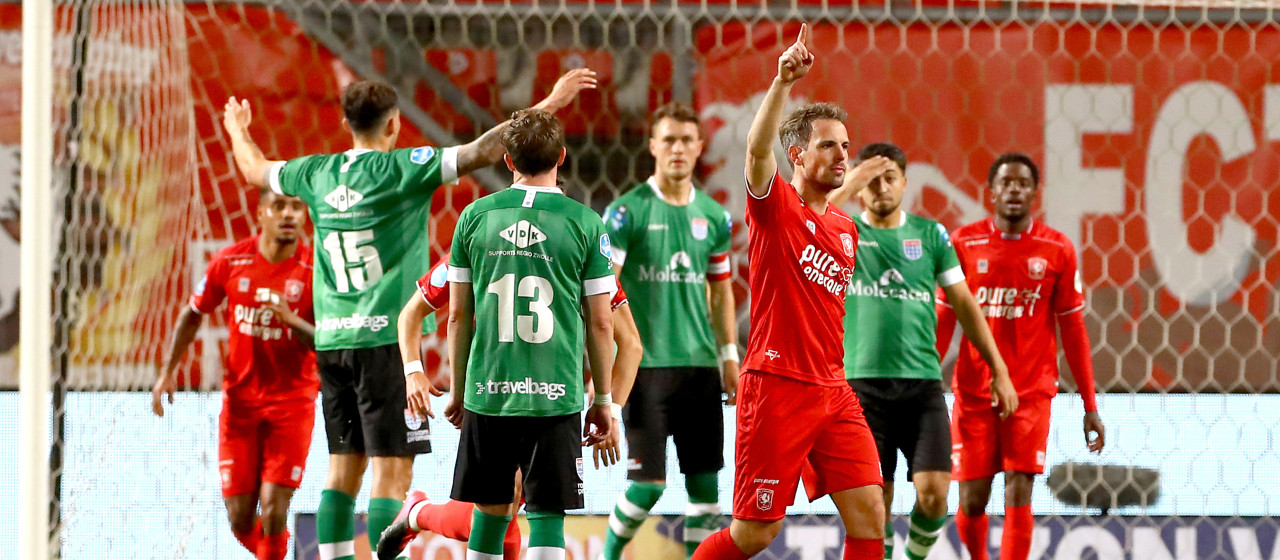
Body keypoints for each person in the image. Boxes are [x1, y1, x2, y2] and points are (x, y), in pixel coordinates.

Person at [221, 70, 598, 560]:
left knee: (341, 471)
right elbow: (484, 150)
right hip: (384, 344)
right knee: (392, 474)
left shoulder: (315, 172)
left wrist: (236, 130)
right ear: (395, 125)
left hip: (333, 341)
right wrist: (549, 102)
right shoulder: (403, 168)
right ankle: (408, 521)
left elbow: (254, 170)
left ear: (344, 123)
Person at [693, 24, 898, 560]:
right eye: (827, 145)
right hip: (776, 388)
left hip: (833, 390)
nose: (841, 155)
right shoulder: (777, 209)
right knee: (755, 535)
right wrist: (783, 81)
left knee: (872, 514)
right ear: (796, 155)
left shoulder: (848, 230)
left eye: (845, 147)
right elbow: (756, 152)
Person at [374, 258, 643, 560]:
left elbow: (629, 343)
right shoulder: (477, 244)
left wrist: (609, 402)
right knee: (501, 505)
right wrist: (414, 371)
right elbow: (412, 314)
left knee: (506, 508)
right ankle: (418, 512)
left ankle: (418, 512)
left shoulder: (575, 246)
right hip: (492, 398)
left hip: (551, 401)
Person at [444, 108, 618, 560]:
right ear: (562, 156)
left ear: (507, 160)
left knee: (490, 512)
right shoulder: (585, 223)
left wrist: (460, 388)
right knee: (546, 516)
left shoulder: (474, 217)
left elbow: (459, 316)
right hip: (554, 394)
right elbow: (602, 323)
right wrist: (602, 400)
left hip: (488, 390)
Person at [830, 142, 1016, 560]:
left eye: (889, 178)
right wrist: (850, 181)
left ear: (905, 184)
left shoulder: (930, 235)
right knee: (874, 509)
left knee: (934, 497)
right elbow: (805, 218)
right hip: (860, 389)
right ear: (858, 187)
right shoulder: (842, 230)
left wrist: (999, 371)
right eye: (870, 180)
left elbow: (965, 304)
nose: (880, 188)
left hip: (921, 388)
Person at [936, 153, 1106, 560]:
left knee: (1019, 488)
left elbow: (1074, 329)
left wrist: (1090, 404)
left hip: (1031, 391)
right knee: (972, 499)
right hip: (975, 391)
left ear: (1034, 192)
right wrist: (923, 383)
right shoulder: (962, 243)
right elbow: (943, 320)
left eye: (1022, 183)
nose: (1014, 189)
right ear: (991, 191)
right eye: (1006, 182)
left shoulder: (1057, 248)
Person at [600, 103, 739, 559]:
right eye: (670, 139)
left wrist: (730, 358)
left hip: (699, 370)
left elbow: (720, 294)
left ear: (700, 148)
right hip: (645, 369)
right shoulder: (625, 214)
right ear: (653, 146)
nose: (678, 148)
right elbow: (603, 290)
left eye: (687, 140)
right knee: (647, 490)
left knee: (706, 497)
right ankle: (608, 556)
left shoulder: (714, 218)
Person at [151, 189, 317, 560]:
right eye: (279, 206)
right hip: (240, 405)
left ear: (305, 216)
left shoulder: (315, 268)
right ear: (260, 213)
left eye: (296, 207)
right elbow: (193, 313)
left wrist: (290, 321)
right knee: (239, 518)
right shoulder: (230, 260)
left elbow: (328, 342)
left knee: (274, 509)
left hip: (293, 403)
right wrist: (167, 371)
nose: (288, 214)